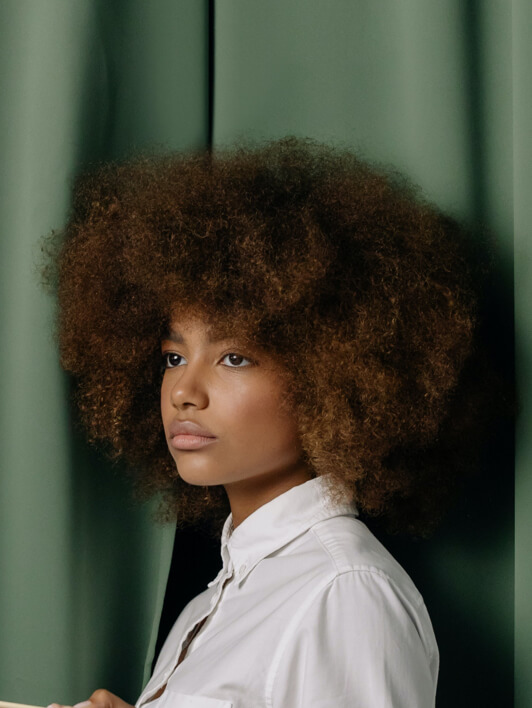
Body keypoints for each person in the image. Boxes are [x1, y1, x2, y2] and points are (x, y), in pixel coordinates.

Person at [45, 136, 487, 707]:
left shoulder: (343, 594)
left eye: (234, 357)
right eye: (173, 357)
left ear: (333, 376)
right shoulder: (209, 607)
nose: (183, 392)